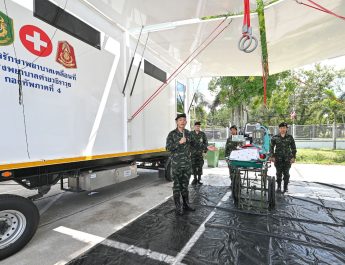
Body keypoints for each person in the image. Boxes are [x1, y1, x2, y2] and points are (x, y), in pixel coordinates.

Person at [166, 113, 201, 215]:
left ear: (186, 122)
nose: (182, 121)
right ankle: (178, 206)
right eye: (180, 120)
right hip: (176, 165)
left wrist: (207, 147)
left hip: (186, 165)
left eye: (184, 120)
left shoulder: (189, 133)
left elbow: (196, 144)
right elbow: (168, 147)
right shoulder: (172, 134)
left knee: (185, 185)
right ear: (177, 122)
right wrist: (179, 143)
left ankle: (186, 204)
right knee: (177, 186)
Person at [269, 122, 297, 193]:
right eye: (281, 128)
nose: (283, 129)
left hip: (287, 159)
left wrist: (293, 157)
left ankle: (285, 187)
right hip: (278, 159)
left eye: (284, 128)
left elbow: (293, 148)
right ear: (279, 129)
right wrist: (272, 156)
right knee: (278, 174)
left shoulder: (290, 137)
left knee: (286, 174)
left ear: (286, 128)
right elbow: (271, 147)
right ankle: (278, 187)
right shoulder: (275, 137)